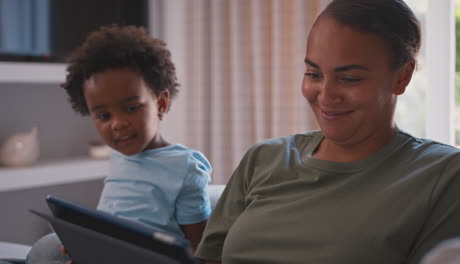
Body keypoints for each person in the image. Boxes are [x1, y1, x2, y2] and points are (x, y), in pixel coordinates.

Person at [195, 0, 460, 263]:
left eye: (349, 79)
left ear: (402, 76)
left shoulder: (443, 175)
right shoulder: (264, 158)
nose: (325, 95)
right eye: (313, 74)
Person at [25, 25, 212, 264]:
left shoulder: (185, 167)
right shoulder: (121, 156)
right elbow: (112, 221)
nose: (118, 124)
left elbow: (200, 248)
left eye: (131, 108)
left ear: (161, 103)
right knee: (49, 246)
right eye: (104, 116)